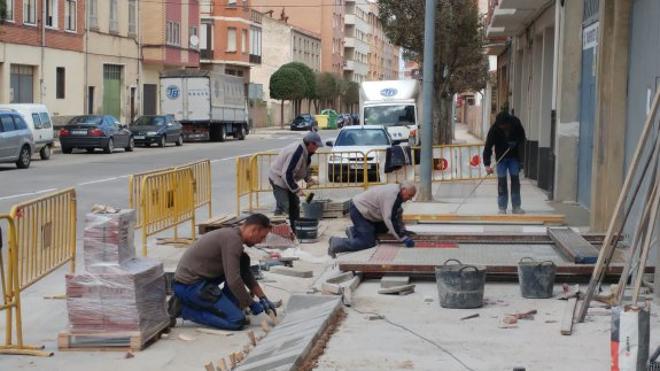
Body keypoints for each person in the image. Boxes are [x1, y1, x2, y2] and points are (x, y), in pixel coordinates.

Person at [168, 214, 278, 331]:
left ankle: (220, 306)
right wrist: (251, 303)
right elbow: (234, 281)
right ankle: (184, 309)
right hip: (190, 286)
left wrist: (263, 298)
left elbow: (244, 272)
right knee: (236, 321)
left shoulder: (233, 236)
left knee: (243, 260)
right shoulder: (232, 240)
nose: (261, 241)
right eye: (262, 237)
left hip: (199, 281)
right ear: (254, 230)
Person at [327, 181, 417, 257]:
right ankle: (335, 243)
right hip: (359, 210)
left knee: (385, 228)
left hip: (368, 213)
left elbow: (397, 216)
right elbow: (389, 219)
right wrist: (402, 238)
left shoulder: (398, 194)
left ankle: (354, 231)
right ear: (403, 190)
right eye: (409, 195)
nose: (410, 198)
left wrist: (403, 231)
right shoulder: (392, 195)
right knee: (367, 242)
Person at [268, 131, 322, 227]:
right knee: (284, 206)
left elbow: (302, 168)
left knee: (295, 205)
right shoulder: (296, 152)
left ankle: (295, 230)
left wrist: (308, 179)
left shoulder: (306, 152)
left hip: (288, 180)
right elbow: (287, 173)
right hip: (278, 179)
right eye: (316, 146)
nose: (317, 149)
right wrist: (297, 190)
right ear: (310, 143)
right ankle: (278, 231)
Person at [483, 111, 527, 214]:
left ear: (508, 123)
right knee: (502, 182)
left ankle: (516, 206)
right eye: (500, 125)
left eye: (504, 125)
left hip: (514, 157)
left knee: (515, 181)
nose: (502, 127)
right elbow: (488, 147)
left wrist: (516, 142)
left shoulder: (516, 123)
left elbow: (522, 138)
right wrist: (487, 164)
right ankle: (502, 207)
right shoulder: (495, 129)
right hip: (501, 159)